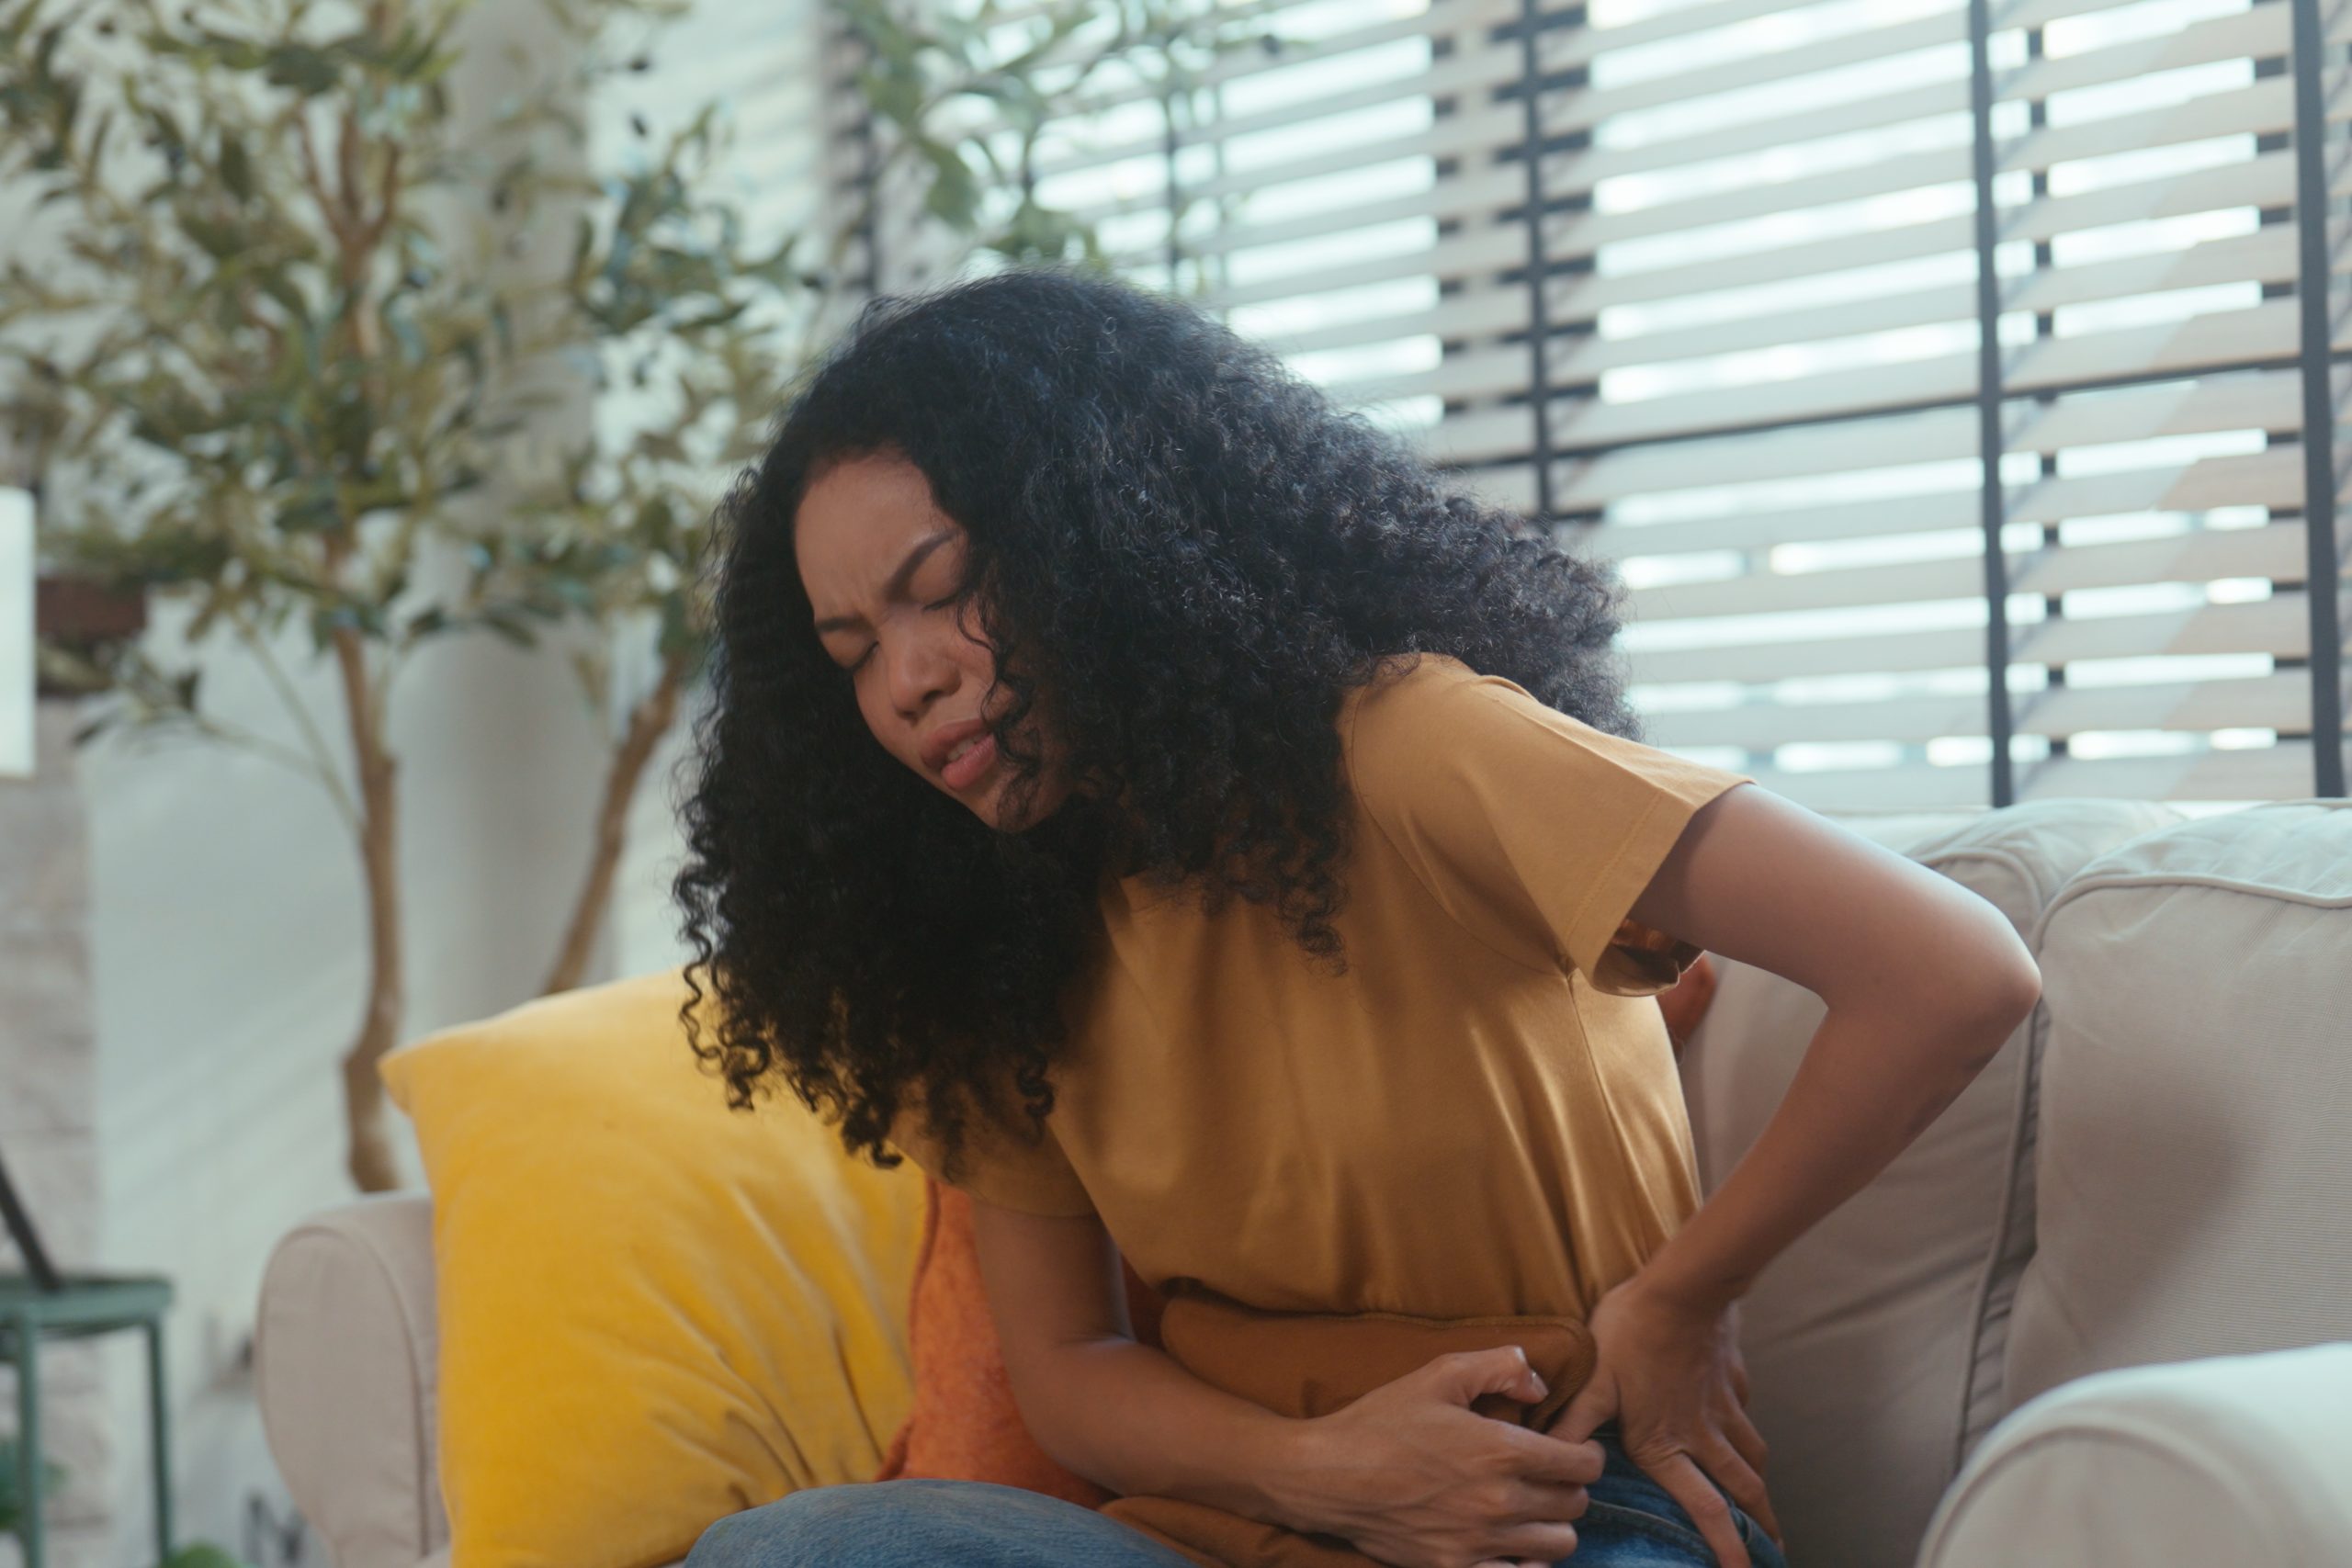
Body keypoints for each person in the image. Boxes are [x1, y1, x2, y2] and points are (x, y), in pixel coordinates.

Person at [670, 264, 2041, 1568]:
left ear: (1104, 532)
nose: (905, 681)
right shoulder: (980, 932)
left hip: (1556, 1499)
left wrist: (1682, 1300)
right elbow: (1071, 1375)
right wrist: (1324, 1473)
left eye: (945, 589)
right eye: (853, 650)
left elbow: (1947, 970)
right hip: (1235, 1521)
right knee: (783, 1551)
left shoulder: (1409, 747)